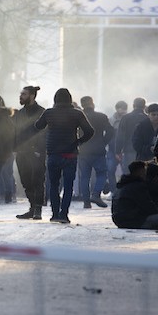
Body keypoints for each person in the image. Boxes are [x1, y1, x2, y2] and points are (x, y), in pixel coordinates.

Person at [35, 88, 94, 224]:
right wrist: (78, 142)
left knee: (54, 185)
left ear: (55, 99)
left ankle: (55, 213)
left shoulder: (49, 113)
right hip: (70, 154)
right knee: (68, 186)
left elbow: (38, 126)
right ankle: (64, 214)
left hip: (53, 154)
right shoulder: (77, 114)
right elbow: (90, 131)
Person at [14, 86, 47, 220]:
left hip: (37, 152)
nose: (21, 96)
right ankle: (32, 207)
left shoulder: (42, 112)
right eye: (21, 93)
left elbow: (45, 132)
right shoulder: (19, 113)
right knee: (25, 181)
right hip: (22, 152)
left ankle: (37, 209)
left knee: (37, 180)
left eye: (24, 94)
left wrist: (40, 149)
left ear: (32, 95)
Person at [111, 161, 158, 229]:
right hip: (136, 222)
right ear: (140, 171)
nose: (145, 173)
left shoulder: (121, 185)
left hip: (120, 222)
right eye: (144, 171)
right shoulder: (138, 186)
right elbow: (150, 208)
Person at [78, 96, 113, 208]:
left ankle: (86, 202)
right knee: (102, 173)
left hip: (83, 150)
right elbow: (110, 131)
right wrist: (104, 141)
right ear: (92, 103)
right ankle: (96, 194)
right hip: (98, 149)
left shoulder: (78, 116)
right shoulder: (101, 116)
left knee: (84, 176)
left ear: (82, 104)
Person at [114, 97, 148, 174]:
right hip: (143, 151)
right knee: (142, 173)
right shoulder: (147, 118)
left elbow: (120, 136)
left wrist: (118, 151)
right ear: (144, 106)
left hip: (129, 150)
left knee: (128, 173)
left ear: (133, 105)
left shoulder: (126, 118)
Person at [106, 100, 128, 195]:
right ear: (117, 109)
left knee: (126, 170)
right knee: (110, 170)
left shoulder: (128, 119)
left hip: (124, 149)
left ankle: (124, 190)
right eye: (121, 108)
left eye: (124, 109)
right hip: (111, 149)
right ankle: (113, 191)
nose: (122, 111)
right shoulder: (111, 119)